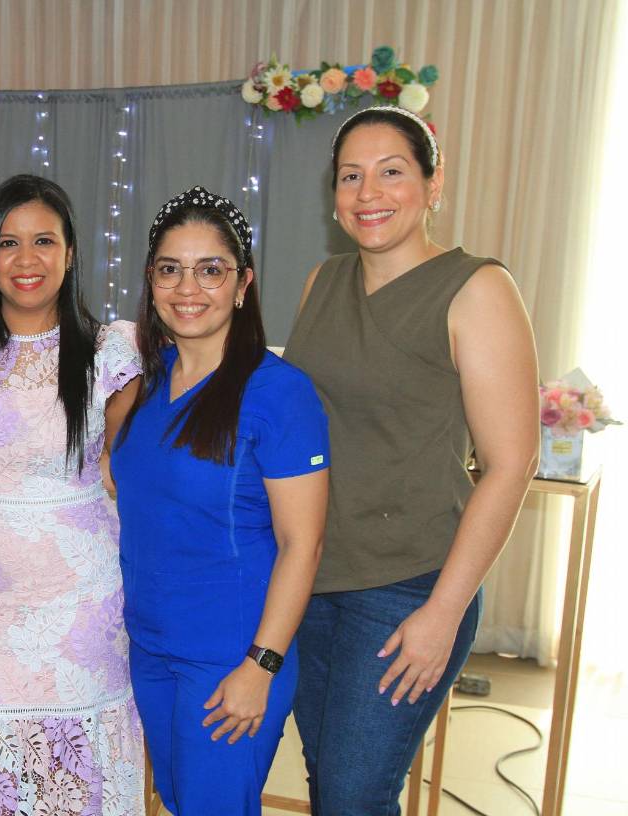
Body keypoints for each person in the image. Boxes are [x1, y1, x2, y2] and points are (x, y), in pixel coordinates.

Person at [283, 106, 539, 815]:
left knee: (353, 796)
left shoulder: (476, 289)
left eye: (391, 172)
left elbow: (511, 463)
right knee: (330, 785)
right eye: (351, 177)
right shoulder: (321, 282)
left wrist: (443, 612)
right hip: (314, 577)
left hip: (407, 589)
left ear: (433, 183)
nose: (369, 193)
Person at [0, 174, 145, 815]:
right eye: (9, 242)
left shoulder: (109, 353)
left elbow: (128, 470)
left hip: (80, 603)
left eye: (44, 241)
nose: (27, 259)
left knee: (75, 779)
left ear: (70, 252)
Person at [110, 187, 329, 815]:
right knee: (181, 801)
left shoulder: (279, 394)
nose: (188, 288)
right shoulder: (144, 384)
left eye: (211, 270)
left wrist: (261, 665)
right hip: (150, 648)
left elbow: (303, 543)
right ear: (151, 280)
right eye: (170, 270)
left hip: (231, 657)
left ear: (242, 284)